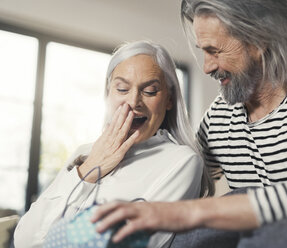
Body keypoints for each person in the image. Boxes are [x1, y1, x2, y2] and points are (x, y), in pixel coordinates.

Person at [90, 0, 287, 246]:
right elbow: (179, 168)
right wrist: (94, 165)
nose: (207, 66)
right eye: (203, 51)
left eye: (214, 51)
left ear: (260, 39)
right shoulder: (219, 116)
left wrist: (189, 213)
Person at [13, 40, 214, 248]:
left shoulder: (182, 161)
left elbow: (133, 243)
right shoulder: (85, 152)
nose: (134, 101)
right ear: (108, 94)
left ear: (169, 100)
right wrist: (90, 169)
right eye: (122, 88)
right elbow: (24, 240)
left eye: (150, 91)